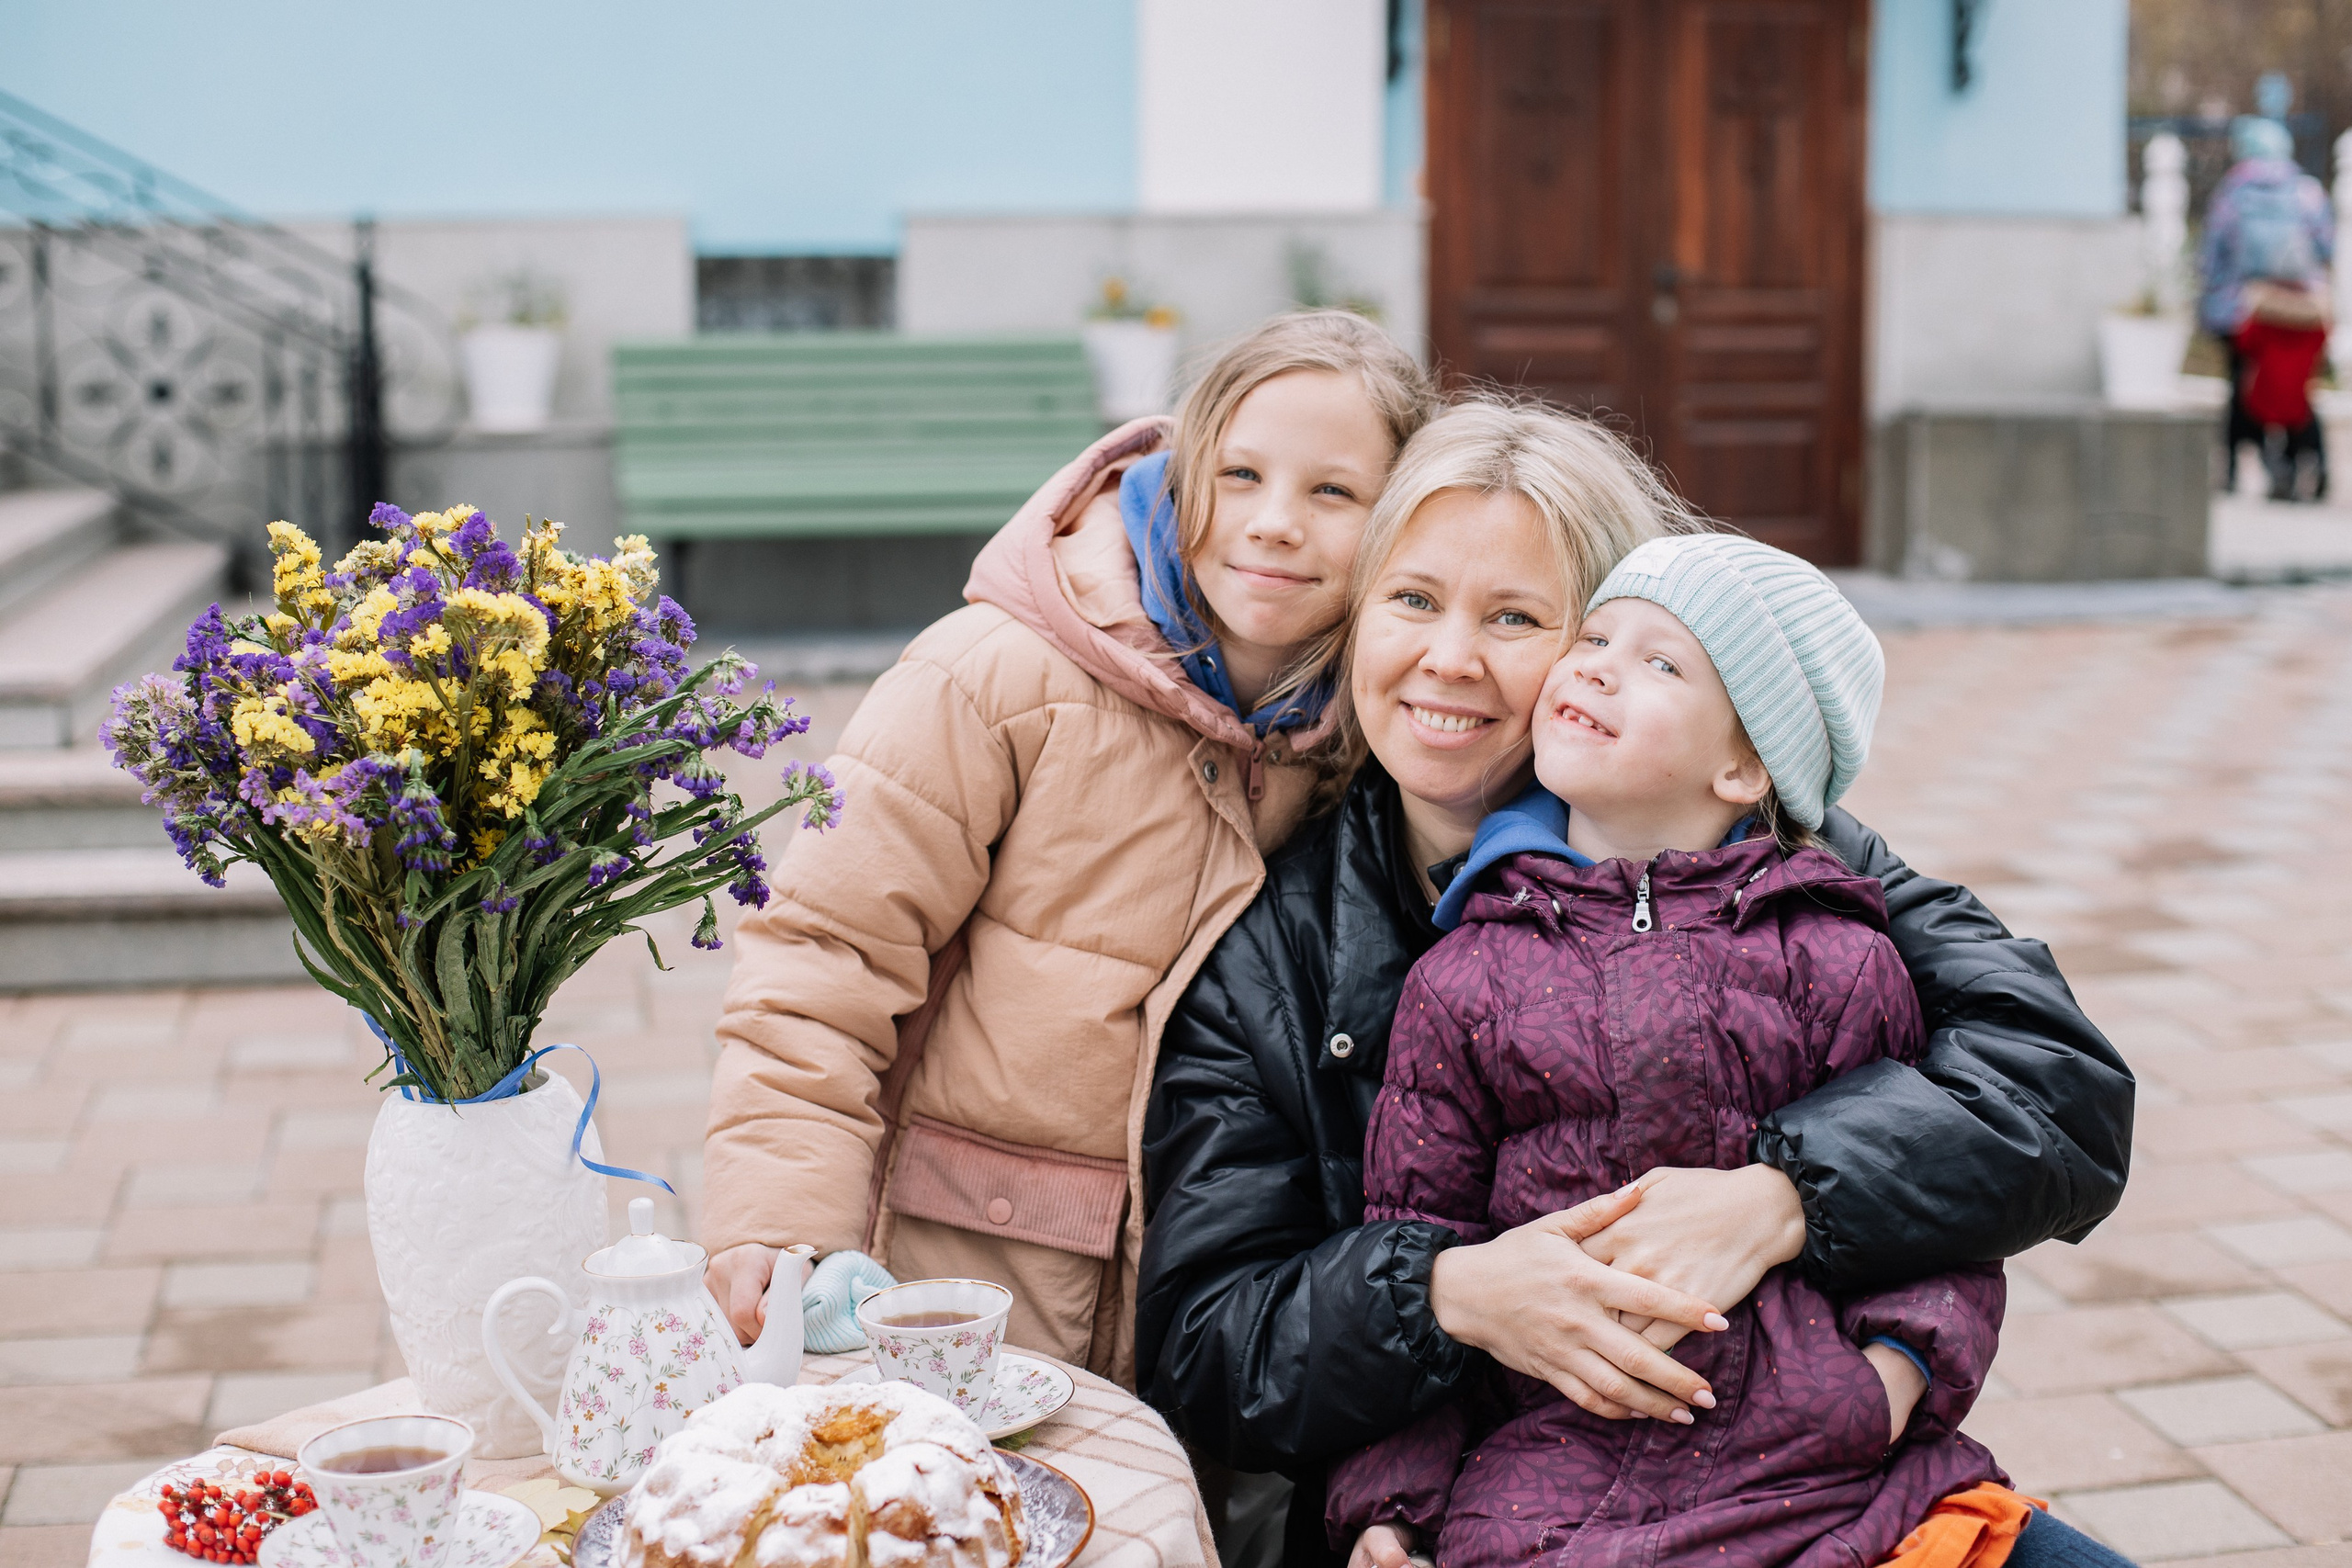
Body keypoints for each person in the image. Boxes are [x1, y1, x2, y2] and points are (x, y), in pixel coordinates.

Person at [1136, 400, 2136, 1566]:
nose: (1447, 658)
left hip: (1809, 1478)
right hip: (1503, 1508)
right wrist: (1448, 1295)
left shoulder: (1794, 875)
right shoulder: (1275, 948)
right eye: (1410, 601)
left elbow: (2059, 1091)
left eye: (1516, 617)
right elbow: (1208, 1343)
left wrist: (1787, 1198)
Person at [699, 311, 1439, 1380]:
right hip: (959, 1288)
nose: (1275, 523)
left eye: (1333, 492)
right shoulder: (994, 679)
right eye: (1239, 475)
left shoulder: (1367, 734)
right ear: (1183, 474)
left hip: (1204, 1306)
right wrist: (775, 1219)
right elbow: (824, 953)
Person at [1326, 533, 2016, 1568]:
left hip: (1818, 1474)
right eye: (1595, 636)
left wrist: (1884, 1384)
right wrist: (1391, 1500)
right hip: (1543, 1483)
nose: (1598, 663)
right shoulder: (1463, 977)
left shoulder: (1835, 958)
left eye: (1661, 663)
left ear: (1745, 765)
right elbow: (1416, 1244)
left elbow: (1931, 1221)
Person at [2199, 115, 2334, 501]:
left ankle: (2237, 468)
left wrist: (2211, 305)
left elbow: (2211, 258)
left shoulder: (2233, 193)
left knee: (2244, 390)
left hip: (2244, 309)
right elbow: (2327, 248)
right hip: (2300, 312)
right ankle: (2298, 466)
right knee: (2294, 388)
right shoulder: (2306, 193)